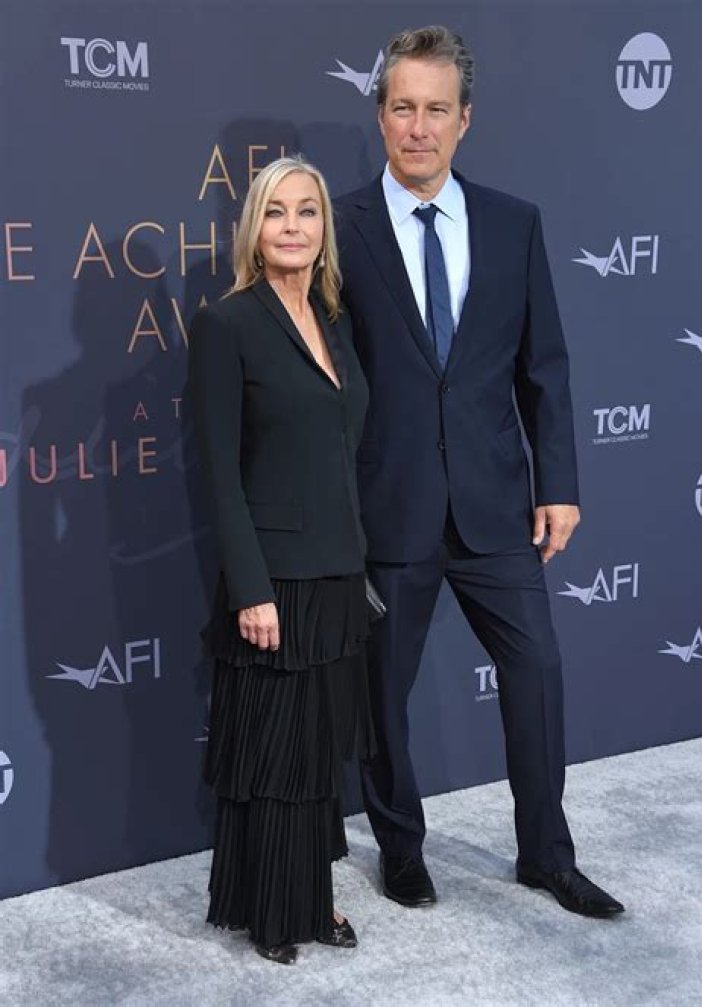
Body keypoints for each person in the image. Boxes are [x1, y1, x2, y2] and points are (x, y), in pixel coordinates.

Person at [334, 26, 624, 919]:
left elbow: (546, 366)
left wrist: (558, 483)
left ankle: (546, 854)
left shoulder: (513, 222)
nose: (418, 127)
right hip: (388, 505)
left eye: (436, 109)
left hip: (496, 503)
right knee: (382, 695)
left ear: (466, 120)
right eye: (402, 107)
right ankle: (402, 850)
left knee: (536, 676)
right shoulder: (337, 227)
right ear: (381, 116)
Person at [188, 156, 373, 964]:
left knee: (316, 754)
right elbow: (219, 472)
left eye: (307, 211)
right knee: (273, 754)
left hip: (339, 570)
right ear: (253, 229)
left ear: (324, 227)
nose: (293, 226)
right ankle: (272, 910)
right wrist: (250, 588)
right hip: (275, 579)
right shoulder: (229, 324)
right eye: (275, 211)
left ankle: (313, 895)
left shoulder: (335, 320)